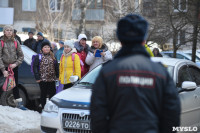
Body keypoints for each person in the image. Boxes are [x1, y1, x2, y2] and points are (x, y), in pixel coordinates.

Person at [90, 14, 181, 133]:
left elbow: (97, 114)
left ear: (120, 40)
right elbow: (172, 113)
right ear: (144, 40)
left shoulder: (107, 72)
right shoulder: (160, 72)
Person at [0, 25, 26, 110]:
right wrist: (3, 70)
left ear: (13, 32)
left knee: (15, 85)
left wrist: (16, 64)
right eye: (7, 30)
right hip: (2, 68)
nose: (9, 32)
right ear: (4, 32)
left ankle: (19, 104)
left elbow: (21, 56)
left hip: (13, 67)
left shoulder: (16, 42)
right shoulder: (1, 42)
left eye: (10, 30)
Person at [33, 41, 59, 109]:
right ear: (42, 49)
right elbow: (35, 67)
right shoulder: (39, 56)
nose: (47, 48)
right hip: (42, 79)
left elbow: (56, 66)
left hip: (52, 78)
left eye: (48, 47)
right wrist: (37, 77)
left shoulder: (53, 56)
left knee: (52, 94)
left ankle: (51, 108)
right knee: (43, 94)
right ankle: (43, 107)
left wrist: (57, 76)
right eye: (45, 47)